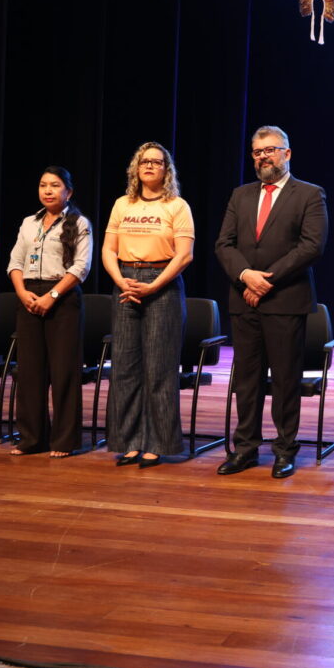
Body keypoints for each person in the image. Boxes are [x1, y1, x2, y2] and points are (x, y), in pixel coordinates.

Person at [215, 126, 328, 479]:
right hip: (244, 300)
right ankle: (245, 449)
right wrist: (245, 275)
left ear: (287, 154)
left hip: (285, 300)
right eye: (257, 152)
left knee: (285, 379)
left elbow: (311, 247)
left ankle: (284, 449)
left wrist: (265, 281)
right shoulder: (240, 195)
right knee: (246, 381)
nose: (263, 157)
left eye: (270, 150)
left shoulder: (309, 194)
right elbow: (224, 244)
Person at [101, 142, 195, 468]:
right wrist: (120, 280)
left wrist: (154, 285)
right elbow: (108, 250)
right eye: (144, 161)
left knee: (159, 369)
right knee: (125, 368)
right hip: (125, 282)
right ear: (136, 168)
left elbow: (184, 255)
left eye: (157, 162)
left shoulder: (177, 206)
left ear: (166, 170)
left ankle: (157, 443)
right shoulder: (122, 204)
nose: (150, 166)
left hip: (162, 283)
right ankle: (128, 442)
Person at [6, 167, 93, 457]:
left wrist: (52, 296)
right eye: (43, 185)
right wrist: (22, 293)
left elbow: (81, 267)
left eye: (55, 186)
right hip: (29, 295)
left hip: (63, 298)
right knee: (29, 372)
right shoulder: (29, 222)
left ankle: (64, 441)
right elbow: (15, 262)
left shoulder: (79, 223)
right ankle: (32, 439)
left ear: (68, 191)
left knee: (63, 372)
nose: (47, 191)